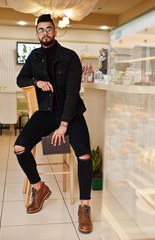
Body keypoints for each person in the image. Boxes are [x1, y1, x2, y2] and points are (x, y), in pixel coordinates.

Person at [14, 14, 93, 234]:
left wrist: (64, 125)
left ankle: (84, 207)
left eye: (49, 29)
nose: (45, 33)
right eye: (41, 30)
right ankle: (39, 188)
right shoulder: (34, 56)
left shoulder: (69, 57)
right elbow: (20, 79)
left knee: (84, 156)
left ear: (55, 32)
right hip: (46, 113)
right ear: (37, 33)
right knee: (19, 148)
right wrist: (36, 82)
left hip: (72, 114)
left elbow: (71, 94)